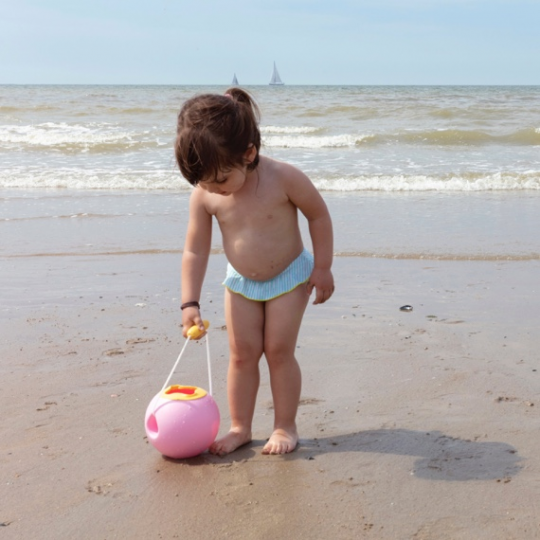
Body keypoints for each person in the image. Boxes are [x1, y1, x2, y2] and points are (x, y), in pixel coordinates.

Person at [175, 87, 334, 456]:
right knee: (242, 354)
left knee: (278, 350)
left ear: (248, 154)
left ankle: (284, 426)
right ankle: (240, 427)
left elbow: (319, 215)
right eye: (205, 182)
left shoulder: (284, 178)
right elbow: (195, 250)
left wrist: (323, 267)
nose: (215, 189)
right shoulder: (205, 193)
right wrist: (189, 302)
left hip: (290, 277)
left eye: (220, 179)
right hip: (241, 282)